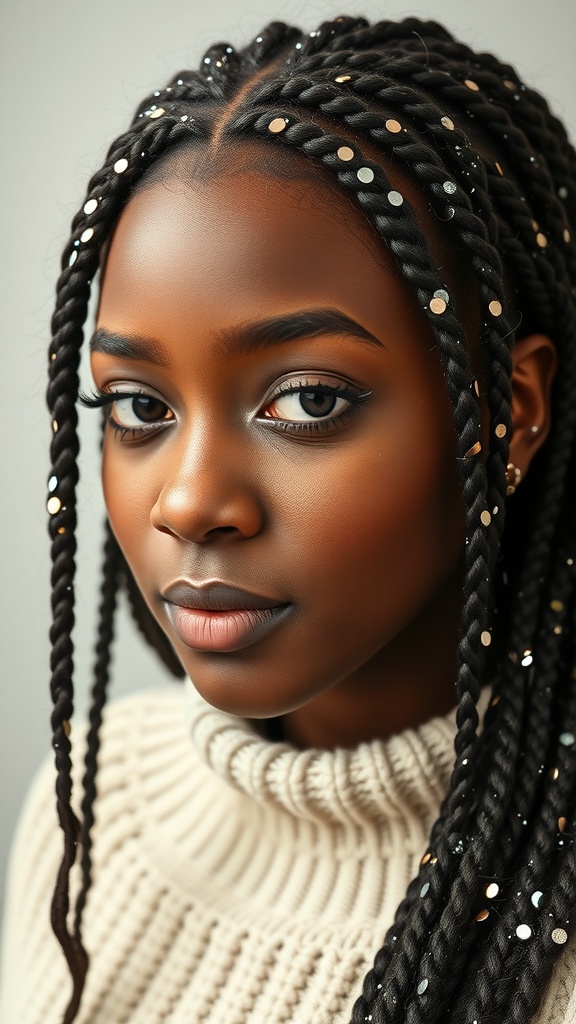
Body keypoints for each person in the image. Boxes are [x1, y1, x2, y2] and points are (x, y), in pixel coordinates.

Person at [1, 12, 575, 1024]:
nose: (189, 502)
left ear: (511, 414)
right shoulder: (93, 806)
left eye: (308, 400)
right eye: (140, 406)